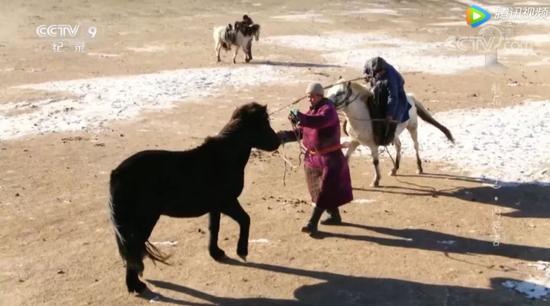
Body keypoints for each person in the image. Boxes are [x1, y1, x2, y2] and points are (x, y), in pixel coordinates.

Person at [278, 83, 353, 235]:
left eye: (312, 96)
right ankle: (334, 215)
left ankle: (312, 223)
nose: (310, 99)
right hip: (312, 159)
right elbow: (302, 131)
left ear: (320, 96)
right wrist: (284, 136)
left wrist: (300, 116)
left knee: (323, 191)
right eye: (308, 97)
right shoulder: (311, 111)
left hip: (330, 159)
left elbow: (318, 122)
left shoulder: (328, 111)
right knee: (318, 190)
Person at [363, 57, 412, 145]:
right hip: (377, 85)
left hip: (396, 93)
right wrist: (365, 76)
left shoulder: (390, 77)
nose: (381, 72)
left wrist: (389, 114)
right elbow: (365, 69)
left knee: (393, 116)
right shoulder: (370, 64)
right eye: (379, 71)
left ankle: (388, 137)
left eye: (382, 71)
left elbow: (393, 97)